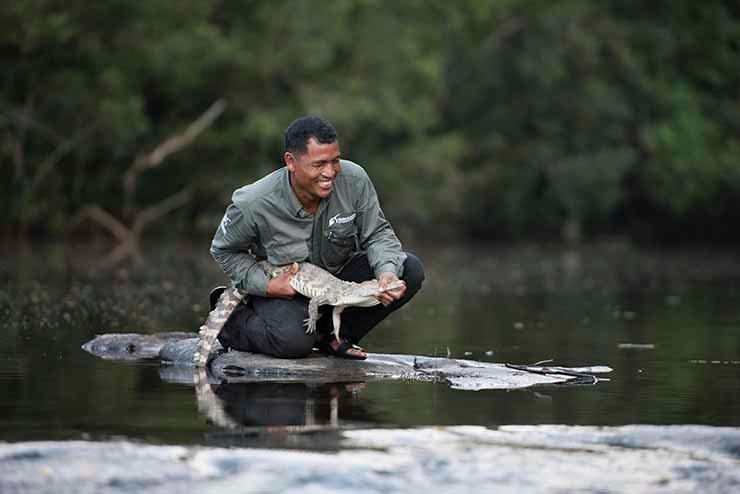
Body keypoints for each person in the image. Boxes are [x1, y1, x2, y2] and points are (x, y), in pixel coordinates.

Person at [210, 116, 424, 360]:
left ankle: (335, 338)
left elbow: (377, 233)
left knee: (409, 269)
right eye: (319, 164)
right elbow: (224, 251)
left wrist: (387, 271)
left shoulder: (355, 180)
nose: (330, 172)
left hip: (335, 279)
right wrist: (267, 286)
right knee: (293, 343)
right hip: (283, 286)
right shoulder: (253, 202)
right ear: (291, 162)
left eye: (335, 161)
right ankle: (232, 323)